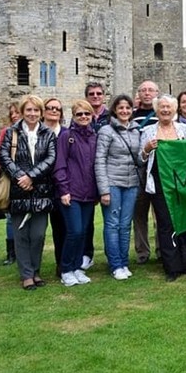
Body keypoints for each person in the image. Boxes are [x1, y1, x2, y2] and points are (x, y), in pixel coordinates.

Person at [0, 95, 56, 291]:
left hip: (41, 189)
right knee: (21, 234)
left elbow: (51, 158)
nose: (32, 114)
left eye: (36, 110)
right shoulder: (11, 133)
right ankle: (26, 275)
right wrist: (20, 177)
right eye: (29, 110)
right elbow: (4, 157)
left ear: (41, 113)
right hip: (18, 190)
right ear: (23, 112)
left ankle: (36, 270)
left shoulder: (48, 134)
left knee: (38, 234)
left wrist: (31, 177)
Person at [140, 94, 186, 281]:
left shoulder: (183, 129)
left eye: (168, 107)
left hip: (180, 182)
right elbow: (140, 158)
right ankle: (171, 267)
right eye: (162, 107)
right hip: (159, 183)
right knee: (165, 223)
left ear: (175, 110)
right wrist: (146, 149)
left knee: (182, 221)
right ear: (156, 110)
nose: (165, 110)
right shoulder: (148, 131)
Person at [95, 94, 142, 281]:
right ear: (114, 110)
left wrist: (145, 151)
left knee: (125, 225)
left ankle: (124, 262)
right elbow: (99, 160)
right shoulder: (106, 131)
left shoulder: (136, 130)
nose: (124, 111)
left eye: (128, 108)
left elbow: (138, 160)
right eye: (121, 108)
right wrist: (104, 190)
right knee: (112, 225)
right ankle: (115, 264)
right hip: (113, 183)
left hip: (131, 184)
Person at [54, 100, 98, 287]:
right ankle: (66, 269)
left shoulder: (94, 137)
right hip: (71, 192)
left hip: (88, 193)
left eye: (87, 114)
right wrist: (64, 189)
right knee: (74, 231)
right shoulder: (66, 137)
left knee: (83, 232)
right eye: (79, 114)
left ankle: (77, 267)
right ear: (74, 116)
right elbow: (60, 165)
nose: (83, 117)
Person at [131, 81, 159, 265]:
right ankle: (142, 253)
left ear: (157, 93)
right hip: (138, 171)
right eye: (143, 90)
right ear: (138, 94)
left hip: (158, 172)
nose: (147, 93)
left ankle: (162, 250)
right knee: (139, 214)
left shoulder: (164, 113)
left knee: (160, 215)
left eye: (151, 90)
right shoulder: (130, 116)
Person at [42, 98, 70, 275]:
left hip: (61, 187)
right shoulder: (36, 133)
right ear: (43, 111)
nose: (54, 111)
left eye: (57, 109)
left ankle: (62, 264)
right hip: (40, 186)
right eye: (50, 108)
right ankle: (31, 268)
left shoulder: (67, 133)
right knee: (36, 231)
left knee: (62, 228)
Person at [0, 101, 20, 266]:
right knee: (11, 218)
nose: (14, 116)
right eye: (11, 113)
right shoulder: (7, 132)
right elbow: (1, 157)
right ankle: (11, 253)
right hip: (11, 179)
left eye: (16, 112)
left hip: (30, 179)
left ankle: (23, 251)